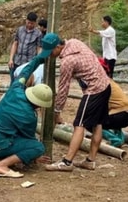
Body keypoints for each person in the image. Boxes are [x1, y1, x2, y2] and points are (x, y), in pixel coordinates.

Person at [0, 33, 58, 178]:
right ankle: (1, 165)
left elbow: (26, 70)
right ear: (39, 104)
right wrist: (33, 156)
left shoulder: (16, 88)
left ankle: (2, 158)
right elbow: (29, 139)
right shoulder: (29, 116)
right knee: (37, 147)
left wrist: (41, 57)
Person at [45, 35, 111, 172]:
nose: (50, 55)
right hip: (105, 85)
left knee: (79, 124)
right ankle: (90, 160)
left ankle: (67, 162)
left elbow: (63, 88)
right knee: (97, 123)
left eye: (51, 51)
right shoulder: (75, 42)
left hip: (94, 90)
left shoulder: (67, 61)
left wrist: (57, 111)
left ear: (58, 47)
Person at [8, 12, 42, 82]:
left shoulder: (38, 33)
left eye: (32, 23)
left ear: (35, 23)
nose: (29, 25)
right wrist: (11, 59)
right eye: (28, 22)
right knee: (13, 81)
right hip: (17, 61)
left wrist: (37, 61)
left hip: (28, 63)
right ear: (26, 20)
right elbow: (15, 43)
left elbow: (39, 48)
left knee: (24, 82)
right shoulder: (20, 30)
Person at [102, 80, 128, 147]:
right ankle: (121, 138)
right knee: (114, 121)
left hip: (119, 116)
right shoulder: (112, 82)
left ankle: (115, 140)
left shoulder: (102, 83)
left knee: (91, 123)